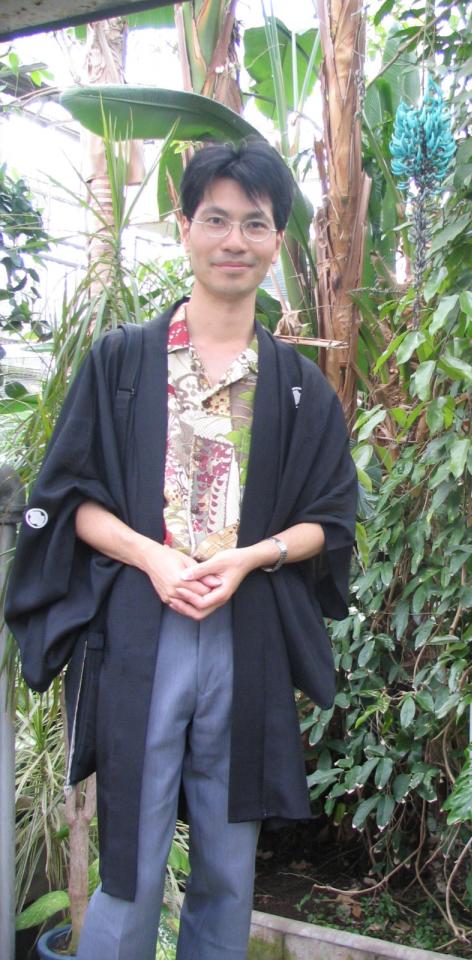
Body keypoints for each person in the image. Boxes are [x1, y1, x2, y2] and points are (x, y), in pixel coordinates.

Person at [6, 141, 357, 960]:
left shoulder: (301, 388)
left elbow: (330, 520)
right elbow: (68, 502)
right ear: (186, 229)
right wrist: (153, 556)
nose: (235, 240)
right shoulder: (122, 363)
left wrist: (249, 557)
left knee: (231, 861)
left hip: (247, 633)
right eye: (217, 219)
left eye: (256, 224)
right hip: (141, 629)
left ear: (276, 243)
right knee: (129, 851)